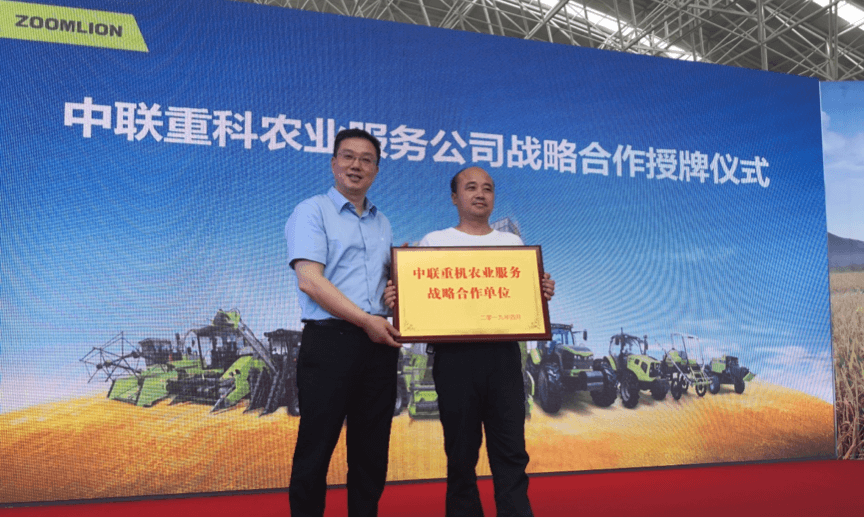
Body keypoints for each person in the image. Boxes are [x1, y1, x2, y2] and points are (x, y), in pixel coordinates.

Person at [387, 166, 554, 517]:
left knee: (511, 452)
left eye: (488, 188)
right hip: (454, 360)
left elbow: (523, 296)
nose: (480, 194)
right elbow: (418, 299)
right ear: (454, 197)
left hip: (503, 357)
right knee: (461, 456)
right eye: (471, 187)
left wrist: (540, 291)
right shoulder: (433, 241)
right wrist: (398, 298)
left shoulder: (512, 244)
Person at [285, 128, 401, 517]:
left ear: (376, 170)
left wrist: (397, 291)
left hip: (378, 346)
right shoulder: (311, 211)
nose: (356, 165)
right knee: (315, 450)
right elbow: (310, 281)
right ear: (334, 163)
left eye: (366, 160)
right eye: (348, 156)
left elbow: (383, 287)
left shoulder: (383, 223)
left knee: (372, 453)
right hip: (330, 343)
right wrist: (366, 319)